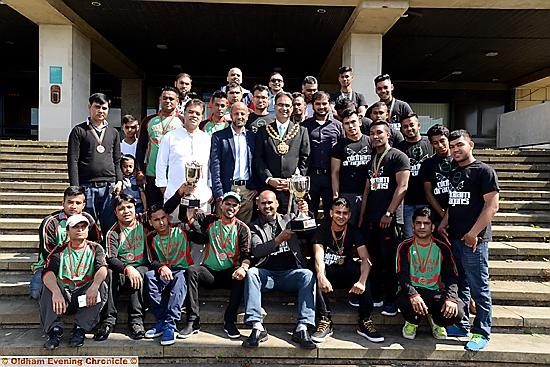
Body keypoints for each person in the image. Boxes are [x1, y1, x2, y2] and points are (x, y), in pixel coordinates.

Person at [438, 129, 499, 351]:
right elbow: (454, 203)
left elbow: (492, 206)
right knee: (460, 283)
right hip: (454, 238)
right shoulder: (453, 170)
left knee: (478, 287)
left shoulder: (484, 172)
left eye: (459, 145)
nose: (455, 149)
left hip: (475, 242)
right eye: (452, 146)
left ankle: (481, 331)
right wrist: (444, 222)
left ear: (471, 145)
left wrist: (473, 233)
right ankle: (462, 325)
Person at [164, 188, 251, 339]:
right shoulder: (210, 220)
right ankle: (193, 320)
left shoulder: (243, 228)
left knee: (242, 275)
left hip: (229, 273)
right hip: (209, 272)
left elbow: (246, 254)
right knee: (192, 270)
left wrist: (243, 267)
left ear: (239, 208)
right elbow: (187, 219)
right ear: (221, 205)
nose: (230, 208)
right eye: (227, 204)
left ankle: (229, 321)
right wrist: (188, 204)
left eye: (234, 205)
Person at [242, 190, 316, 350]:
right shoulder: (253, 226)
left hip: (290, 274)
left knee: (308, 275)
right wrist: (279, 239)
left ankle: (302, 327)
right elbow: (257, 251)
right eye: (263, 203)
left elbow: (310, 231)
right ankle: (257, 327)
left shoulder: (290, 219)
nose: (267, 206)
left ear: (277, 203)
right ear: (257, 205)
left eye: (270, 202)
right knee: (252, 272)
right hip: (267, 275)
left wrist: (306, 213)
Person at [311, 197, 384, 344]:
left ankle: (364, 321)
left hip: (345, 271)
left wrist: (362, 282)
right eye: (338, 212)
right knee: (316, 274)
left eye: (345, 213)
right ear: (331, 213)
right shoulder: (323, 229)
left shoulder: (353, 230)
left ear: (350, 215)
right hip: (328, 272)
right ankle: (325, 321)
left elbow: (365, 258)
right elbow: (318, 255)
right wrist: (321, 275)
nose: (341, 216)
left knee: (364, 273)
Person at [358, 120, 410, 316]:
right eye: (371, 133)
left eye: (379, 132)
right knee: (374, 261)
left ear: (388, 134)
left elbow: (402, 187)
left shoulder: (398, 157)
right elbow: (367, 190)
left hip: (390, 220)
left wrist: (389, 213)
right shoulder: (372, 158)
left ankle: (391, 300)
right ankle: (378, 295)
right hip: (371, 219)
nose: (375, 136)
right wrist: (362, 217)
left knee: (390, 262)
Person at [40, 214, 108, 349]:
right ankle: (54, 331)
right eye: (75, 227)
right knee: (48, 285)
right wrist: (56, 292)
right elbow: (48, 272)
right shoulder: (59, 250)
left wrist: (94, 286)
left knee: (102, 285)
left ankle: (79, 329)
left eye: (83, 227)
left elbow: (102, 269)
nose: (80, 230)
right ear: (67, 231)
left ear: (88, 230)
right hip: (63, 295)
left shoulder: (95, 248)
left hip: (84, 296)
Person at [396, 207, 464, 340]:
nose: (422, 227)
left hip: (436, 292)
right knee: (401, 299)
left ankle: (436, 321)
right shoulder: (404, 246)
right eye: (418, 223)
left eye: (426, 223)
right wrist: (413, 294)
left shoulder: (443, 247)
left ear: (433, 227)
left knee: (458, 311)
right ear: (412, 225)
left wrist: (451, 298)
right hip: (414, 291)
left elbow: (452, 276)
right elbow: (401, 275)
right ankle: (412, 321)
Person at [143, 204, 199, 346]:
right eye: (156, 220)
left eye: (163, 218)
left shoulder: (181, 230)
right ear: (150, 222)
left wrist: (192, 220)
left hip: (181, 270)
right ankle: (161, 321)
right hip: (163, 272)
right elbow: (151, 260)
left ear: (168, 218)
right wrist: (162, 267)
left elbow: (203, 238)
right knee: (149, 277)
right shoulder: (150, 237)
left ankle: (170, 325)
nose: (161, 222)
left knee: (180, 280)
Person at [30, 186, 100, 300]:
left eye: (78, 203)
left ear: (83, 204)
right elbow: (48, 251)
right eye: (70, 202)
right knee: (37, 292)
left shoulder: (88, 220)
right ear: (63, 203)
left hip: (82, 265)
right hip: (52, 266)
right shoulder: (50, 222)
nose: (73, 206)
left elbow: (96, 243)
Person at [67, 93, 122, 234]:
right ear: (89, 107)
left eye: (104, 108)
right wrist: (75, 188)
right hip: (86, 186)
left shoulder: (113, 132)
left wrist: (119, 180)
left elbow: (117, 159)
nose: (101, 111)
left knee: (110, 226)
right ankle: (91, 254)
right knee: (88, 226)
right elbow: (73, 160)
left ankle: (110, 255)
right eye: (97, 107)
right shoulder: (79, 131)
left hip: (109, 187)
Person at [255, 92, 310, 213]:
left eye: (287, 105)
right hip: (269, 189)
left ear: (292, 108)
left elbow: (305, 158)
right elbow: (258, 159)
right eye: (280, 105)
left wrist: (295, 179)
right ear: (274, 107)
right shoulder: (263, 131)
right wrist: (269, 179)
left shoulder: (301, 131)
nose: (284, 108)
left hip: (292, 188)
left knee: (291, 225)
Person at [105, 194, 150, 340]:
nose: (126, 211)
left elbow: (163, 211)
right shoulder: (113, 232)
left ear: (135, 208)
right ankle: (108, 320)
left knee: (141, 272)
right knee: (109, 273)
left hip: (141, 268)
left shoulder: (144, 222)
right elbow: (110, 258)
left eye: (129, 207)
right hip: (122, 271)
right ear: (115, 212)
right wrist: (127, 268)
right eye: (121, 209)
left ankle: (136, 321)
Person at [156, 99, 212, 215]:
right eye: (190, 112)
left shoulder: (207, 139)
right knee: (175, 231)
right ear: (184, 113)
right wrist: (163, 188)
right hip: (174, 195)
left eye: (198, 113)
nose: (194, 116)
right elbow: (161, 163)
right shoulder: (170, 137)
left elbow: (211, 166)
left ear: (202, 117)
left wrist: (210, 190)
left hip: (201, 196)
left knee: (200, 231)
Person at [210, 102, 258, 223]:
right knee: (223, 229)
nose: (239, 116)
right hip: (226, 189)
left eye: (243, 114)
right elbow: (215, 166)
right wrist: (218, 193)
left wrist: (256, 187)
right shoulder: (218, 137)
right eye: (236, 113)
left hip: (247, 191)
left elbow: (257, 163)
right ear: (230, 115)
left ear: (247, 116)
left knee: (244, 230)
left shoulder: (253, 137)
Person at [136, 86, 182, 207]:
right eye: (165, 98)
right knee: (154, 212)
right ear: (160, 99)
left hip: (174, 176)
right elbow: (141, 148)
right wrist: (139, 170)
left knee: (173, 212)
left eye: (171, 99)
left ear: (177, 101)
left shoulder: (182, 121)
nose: (168, 101)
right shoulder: (148, 120)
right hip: (152, 175)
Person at [303, 91, 344, 219]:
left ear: (330, 104)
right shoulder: (304, 126)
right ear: (313, 105)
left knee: (330, 212)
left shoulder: (338, 125)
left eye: (324, 103)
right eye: (318, 104)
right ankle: (311, 239)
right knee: (310, 213)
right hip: (312, 176)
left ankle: (327, 239)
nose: (321, 107)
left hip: (331, 177)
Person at [330, 108, 372, 225]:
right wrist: (336, 195)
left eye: (353, 122)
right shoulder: (339, 147)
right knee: (350, 228)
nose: (351, 126)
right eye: (347, 123)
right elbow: (335, 172)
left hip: (370, 193)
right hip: (348, 193)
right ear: (343, 126)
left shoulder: (371, 142)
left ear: (359, 121)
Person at [396, 113, 434, 239]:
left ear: (419, 125)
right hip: (408, 202)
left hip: (429, 201)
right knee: (409, 237)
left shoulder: (430, 144)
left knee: (429, 237)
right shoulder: (399, 148)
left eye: (412, 125)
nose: (409, 128)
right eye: (405, 126)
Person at [418, 124, 453, 222]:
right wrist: (442, 214)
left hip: (459, 211)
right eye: (435, 143)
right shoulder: (427, 164)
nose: (440, 145)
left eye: (442, 141)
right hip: (437, 214)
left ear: (448, 140)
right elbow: (428, 193)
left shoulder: (459, 160)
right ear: (431, 144)